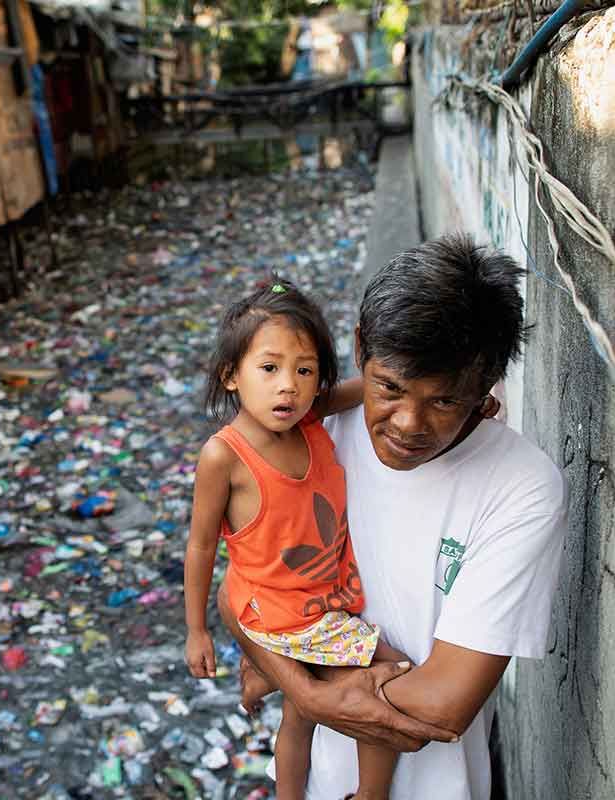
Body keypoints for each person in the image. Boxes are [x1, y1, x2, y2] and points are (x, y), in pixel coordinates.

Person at [216, 234, 567, 799]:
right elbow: (235, 594)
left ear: (487, 387)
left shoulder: (521, 488)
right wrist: (301, 689)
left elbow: (444, 702)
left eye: (445, 401)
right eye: (389, 388)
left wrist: (299, 684)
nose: (408, 423)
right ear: (360, 350)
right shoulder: (311, 437)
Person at [184, 277, 409, 800]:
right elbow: (199, 547)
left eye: (304, 370)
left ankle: (287, 787)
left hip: (304, 603)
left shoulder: (307, 418)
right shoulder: (226, 456)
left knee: (298, 717)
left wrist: (448, 398)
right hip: (289, 615)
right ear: (231, 376)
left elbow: (373, 388)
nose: (287, 384)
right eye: (269, 368)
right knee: (391, 680)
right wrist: (197, 631)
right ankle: (372, 796)